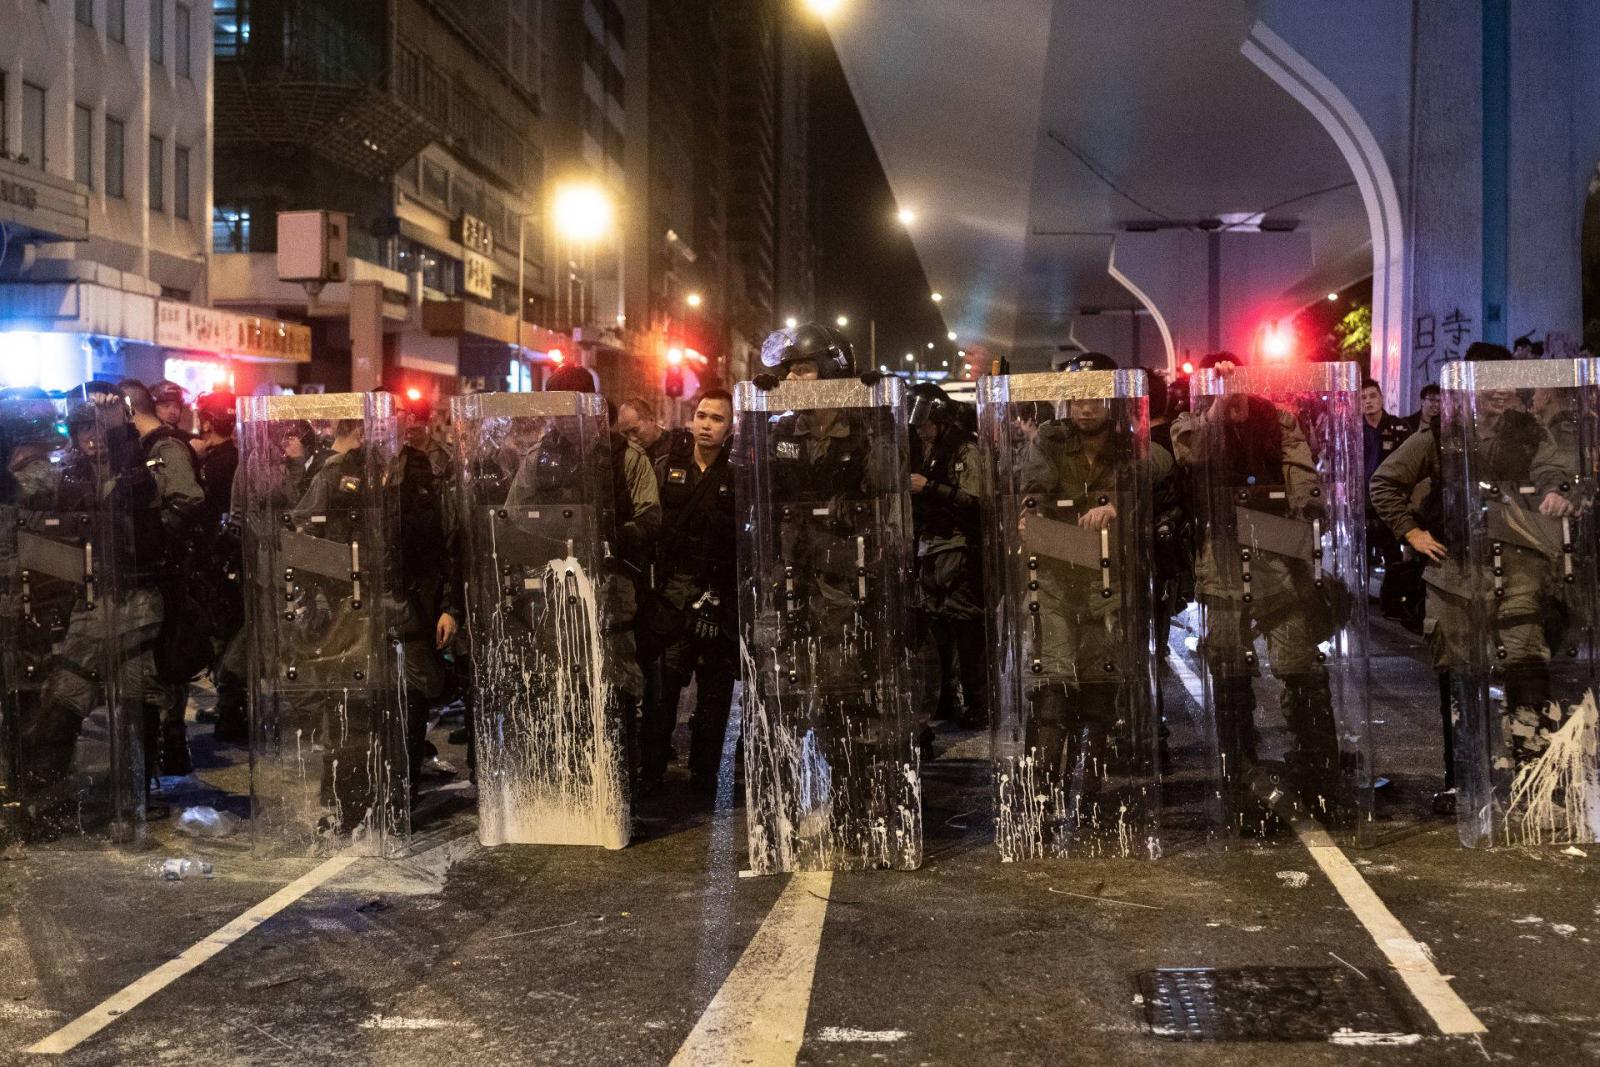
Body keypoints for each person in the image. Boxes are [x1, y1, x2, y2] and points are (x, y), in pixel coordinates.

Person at [1370, 341, 1568, 816]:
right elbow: (1384, 483)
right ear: (1469, 387)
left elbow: (1555, 467)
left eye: (1504, 381)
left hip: (1518, 570)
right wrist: (1412, 532)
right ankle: (1464, 783)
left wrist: (1555, 490)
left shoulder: (1529, 432)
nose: (1498, 391)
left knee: (1526, 669)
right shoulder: (1441, 436)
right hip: (1455, 573)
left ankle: (1533, 784)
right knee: (1459, 679)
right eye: (1488, 382)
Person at [1172, 352, 1343, 827]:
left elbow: (1300, 470)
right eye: (1220, 380)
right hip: (1222, 555)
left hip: (1277, 550)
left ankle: (1318, 772)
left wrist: (1309, 513)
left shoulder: (1277, 417)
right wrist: (1217, 404)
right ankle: (1239, 774)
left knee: (1299, 663)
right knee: (1230, 667)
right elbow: (1193, 453)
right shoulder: (1193, 420)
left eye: (1236, 378)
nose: (1232, 387)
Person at [639, 388, 737, 796]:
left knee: (713, 699)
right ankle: (650, 772)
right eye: (701, 416)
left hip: (719, 597)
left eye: (717, 419)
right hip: (673, 599)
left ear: (730, 427)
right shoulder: (667, 466)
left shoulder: (739, 472)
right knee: (661, 694)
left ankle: (704, 775)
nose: (706, 425)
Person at [907, 383, 985, 750]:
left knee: (966, 626)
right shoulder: (921, 448)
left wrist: (930, 488)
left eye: (927, 424)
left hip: (958, 546)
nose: (921, 431)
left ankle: (978, 702)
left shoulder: (965, 449)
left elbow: (976, 499)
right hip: (929, 547)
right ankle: (943, 699)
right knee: (935, 626)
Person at [616, 398, 689, 466]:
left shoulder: (677, 448)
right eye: (625, 433)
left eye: (635, 430)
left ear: (651, 419)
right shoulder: (623, 454)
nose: (631, 439)